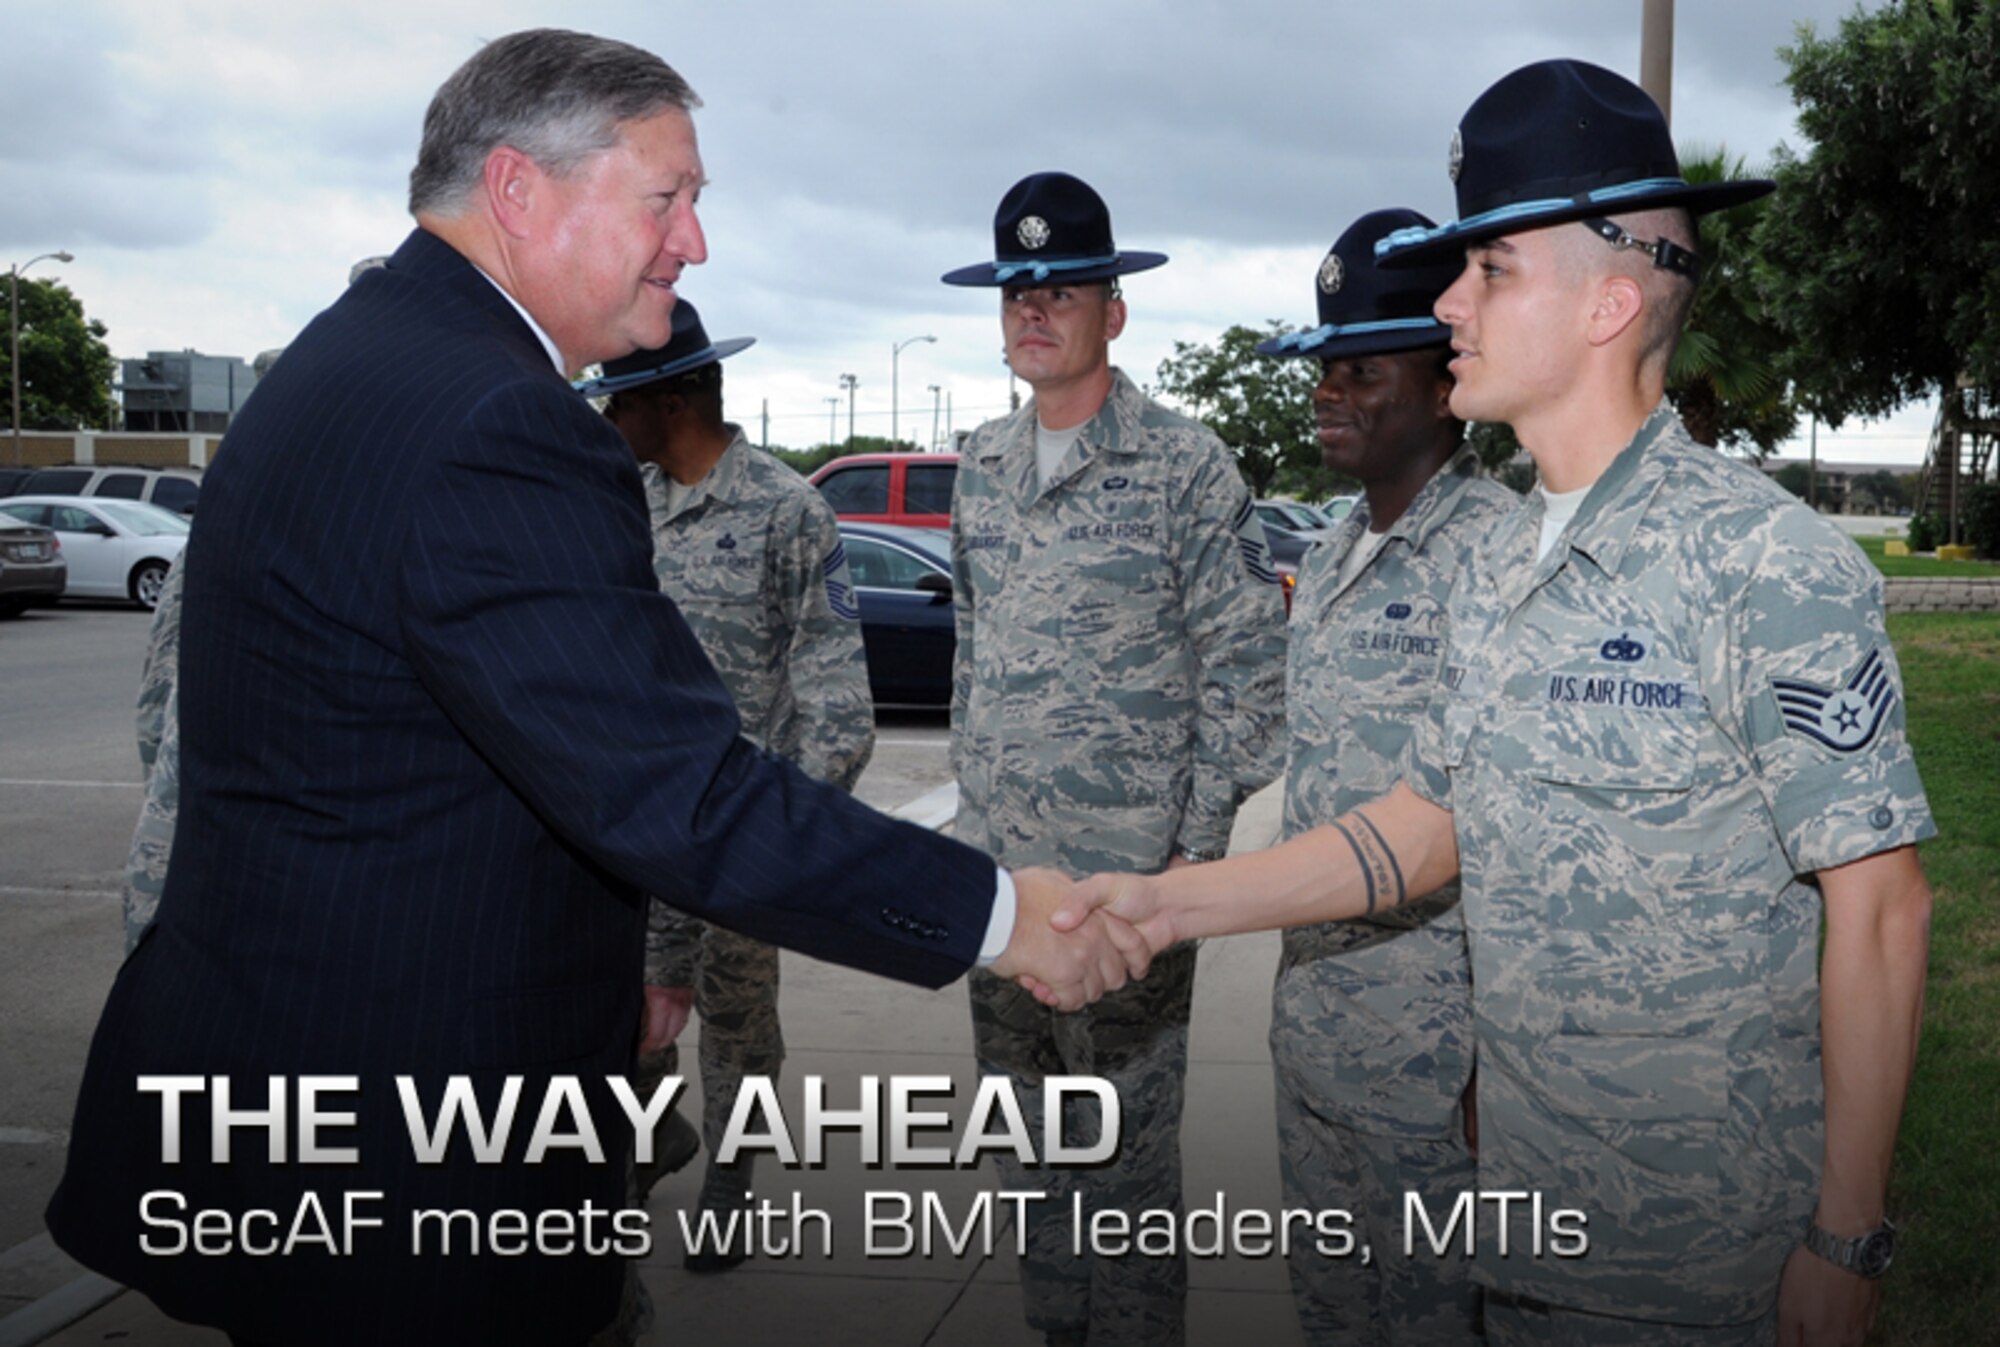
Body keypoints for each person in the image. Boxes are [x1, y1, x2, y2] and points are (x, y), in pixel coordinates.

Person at [46, 31, 1142, 1347]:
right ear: (519, 191)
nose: (693, 243)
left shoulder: (346, 365)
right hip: (414, 1164)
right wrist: (1001, 913)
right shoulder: (495, 425)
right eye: (665, 198)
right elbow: (677, 791)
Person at [1055, 60, 1934, 1346]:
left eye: (1489, 270)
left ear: (1607, 302)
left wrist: (1844, 1238)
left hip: (1699, 1266)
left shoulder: (1762, 562)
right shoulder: (1496, 561)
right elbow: (1419, 831)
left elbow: (1880, 905)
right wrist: (1165, 905)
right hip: (1519, 1243)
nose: (1448, 301)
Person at [942, 170, 1289, 1347]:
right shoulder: (980, 468)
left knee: (1127, 1165)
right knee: (1029, 1145)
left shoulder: (1183, 468)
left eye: (1062, 289)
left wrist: (1186, 858)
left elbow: (1248, 671)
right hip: (1004, 887)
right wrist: (975, 822)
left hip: (1126, 887)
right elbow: (971, 649)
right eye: (1014, 290)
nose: (1032, 309)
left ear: (1113, 312)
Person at [1253, 208, 1515, 1344]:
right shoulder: (1334, 552)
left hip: (1435, 1068)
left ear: (1441, 375)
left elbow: (1513, 833)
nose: (1327, 390)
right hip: (1315, 1033)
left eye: (1358, 368)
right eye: (1322, 366)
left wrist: (1489, 1075)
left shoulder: (1501, 558)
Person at [584, 299, 875, 1264]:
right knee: (630, 1015)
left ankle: (731, 1185)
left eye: (617, 400)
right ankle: (645, 1145)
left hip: (740, 832)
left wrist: (785, 831)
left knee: (740, 1026)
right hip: (639, 827)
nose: (606, 420)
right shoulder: (627, 504)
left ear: (670, 399)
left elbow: (837, 698)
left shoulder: (787, 511)